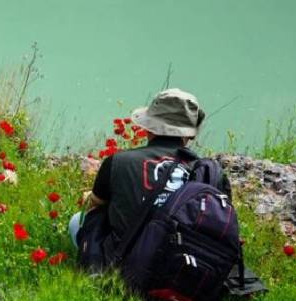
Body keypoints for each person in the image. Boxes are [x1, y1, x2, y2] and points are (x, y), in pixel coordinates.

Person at [69, 88, 216, 251]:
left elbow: (94, 205)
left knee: (78, 220)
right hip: (188, 265)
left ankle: (102, 270)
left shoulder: (119, 161)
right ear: (190, 135)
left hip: (126, 262)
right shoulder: (209, 172)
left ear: (149, 127)